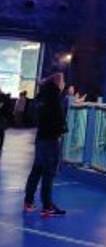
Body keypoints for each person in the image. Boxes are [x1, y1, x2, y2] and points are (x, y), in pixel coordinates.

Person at [24, 73, 68, 217]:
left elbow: (34, 113)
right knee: (48, 172)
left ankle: (28, 201)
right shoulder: (54, 97)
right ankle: (47, 206)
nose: (64, 84)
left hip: (41, 136)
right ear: (58, 83)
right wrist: (61, 129)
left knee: (37, 169)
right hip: (50, 138)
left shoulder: (41, 96)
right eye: (63, 81)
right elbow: (58, 117)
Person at [0, 90, 12, 156]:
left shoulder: (3, 97)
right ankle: (1, 145)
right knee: (1, 131)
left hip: (2, 116)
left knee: (1, 131)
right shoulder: (5, 97)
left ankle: (1, 145)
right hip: (3, 116)